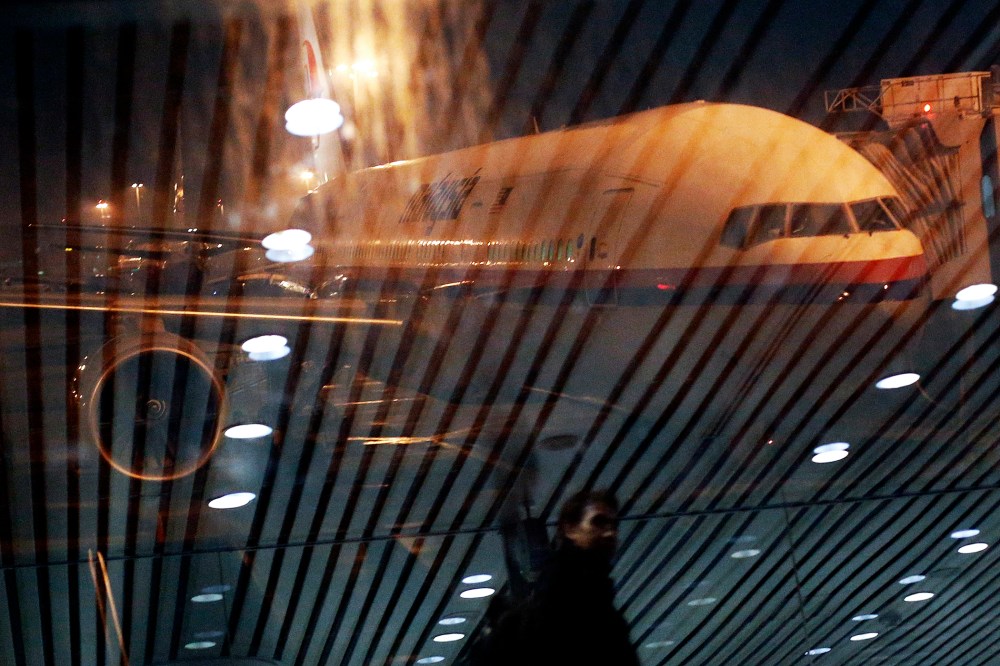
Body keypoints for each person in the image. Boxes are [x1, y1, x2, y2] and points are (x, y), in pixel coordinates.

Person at [468, 489, 639, 666]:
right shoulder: (567, 594)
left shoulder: (594, 596)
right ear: (570, 528)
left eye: (613, 526)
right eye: (598, 522)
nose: (610, 533)